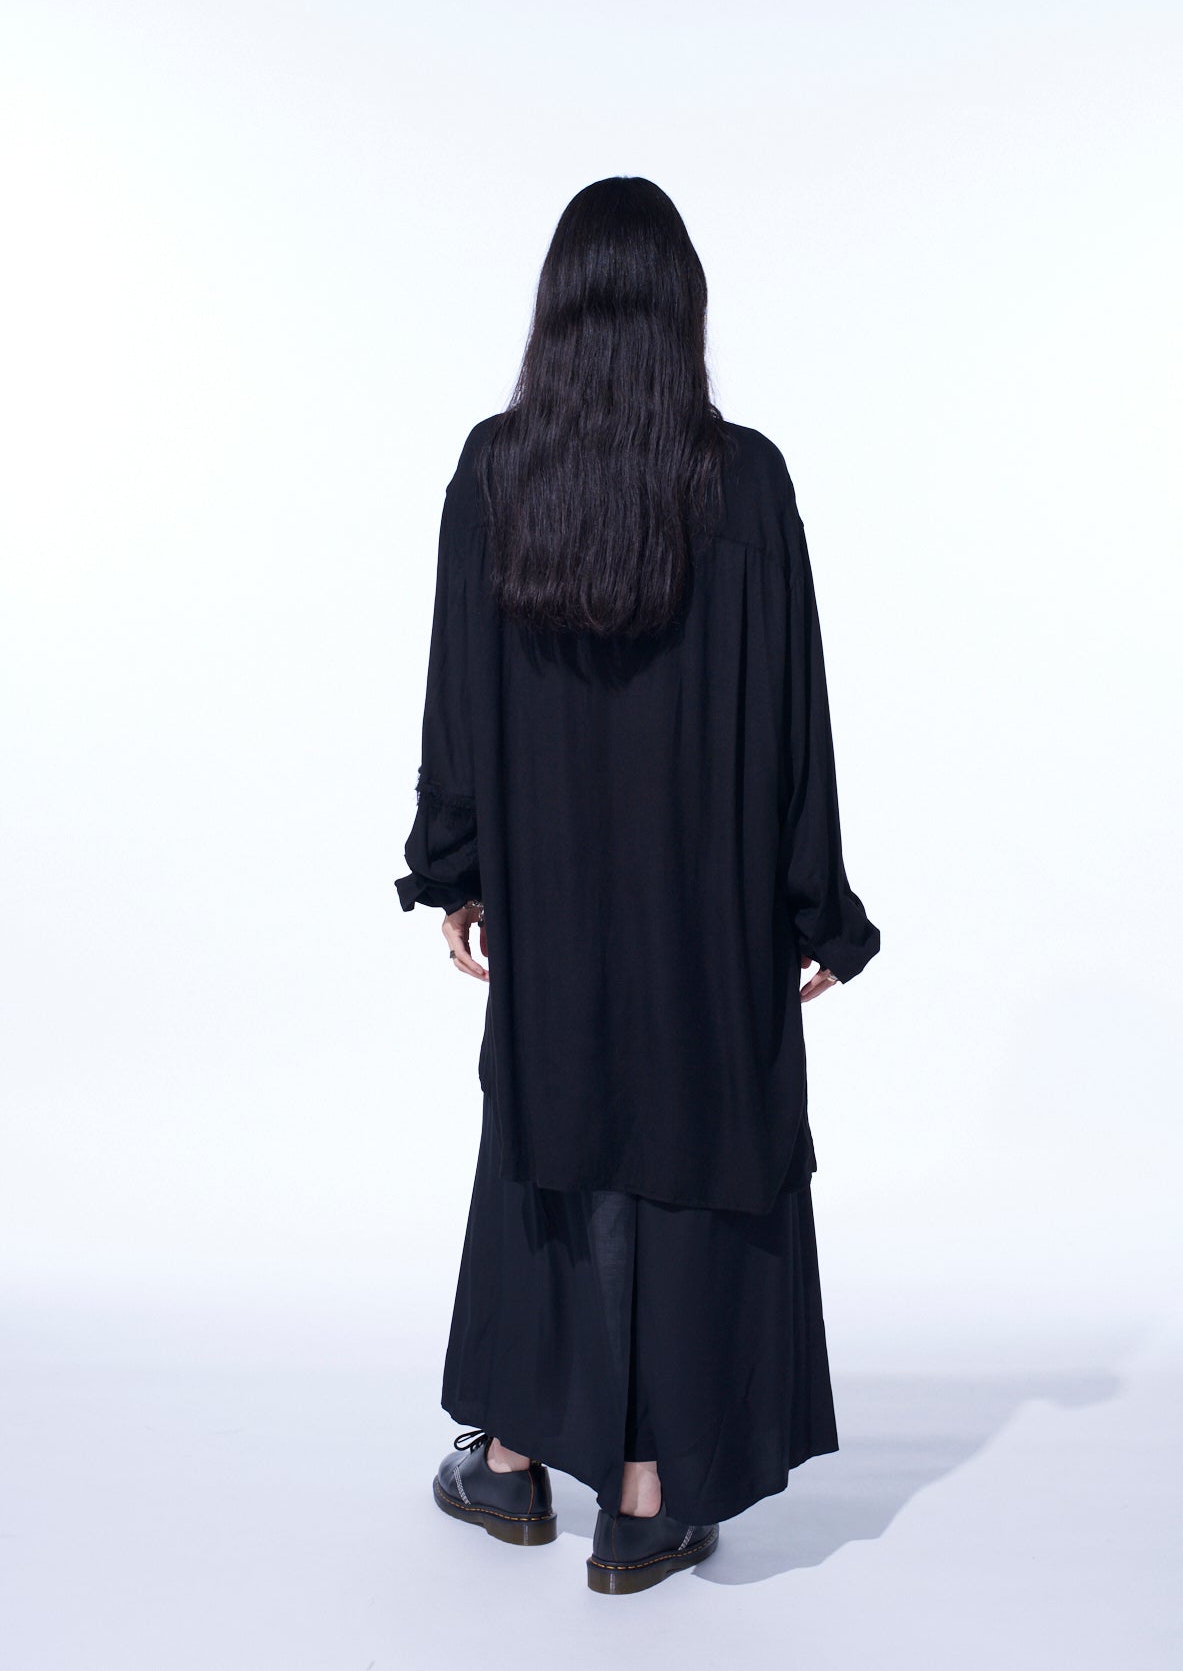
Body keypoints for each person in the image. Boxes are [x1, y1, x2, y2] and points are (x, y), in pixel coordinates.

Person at [395, 175, 880, 1594]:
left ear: (557, 312)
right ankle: (647, 1496)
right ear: (684, 313)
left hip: (552, 900)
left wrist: (459, 867)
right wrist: (814, 907)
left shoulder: (496, 475)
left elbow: (458, 693)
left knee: (546, 1141)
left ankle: (509, 1462)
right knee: (686, 1149)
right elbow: (794, 719)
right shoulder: (746, 484)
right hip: (704, 912)